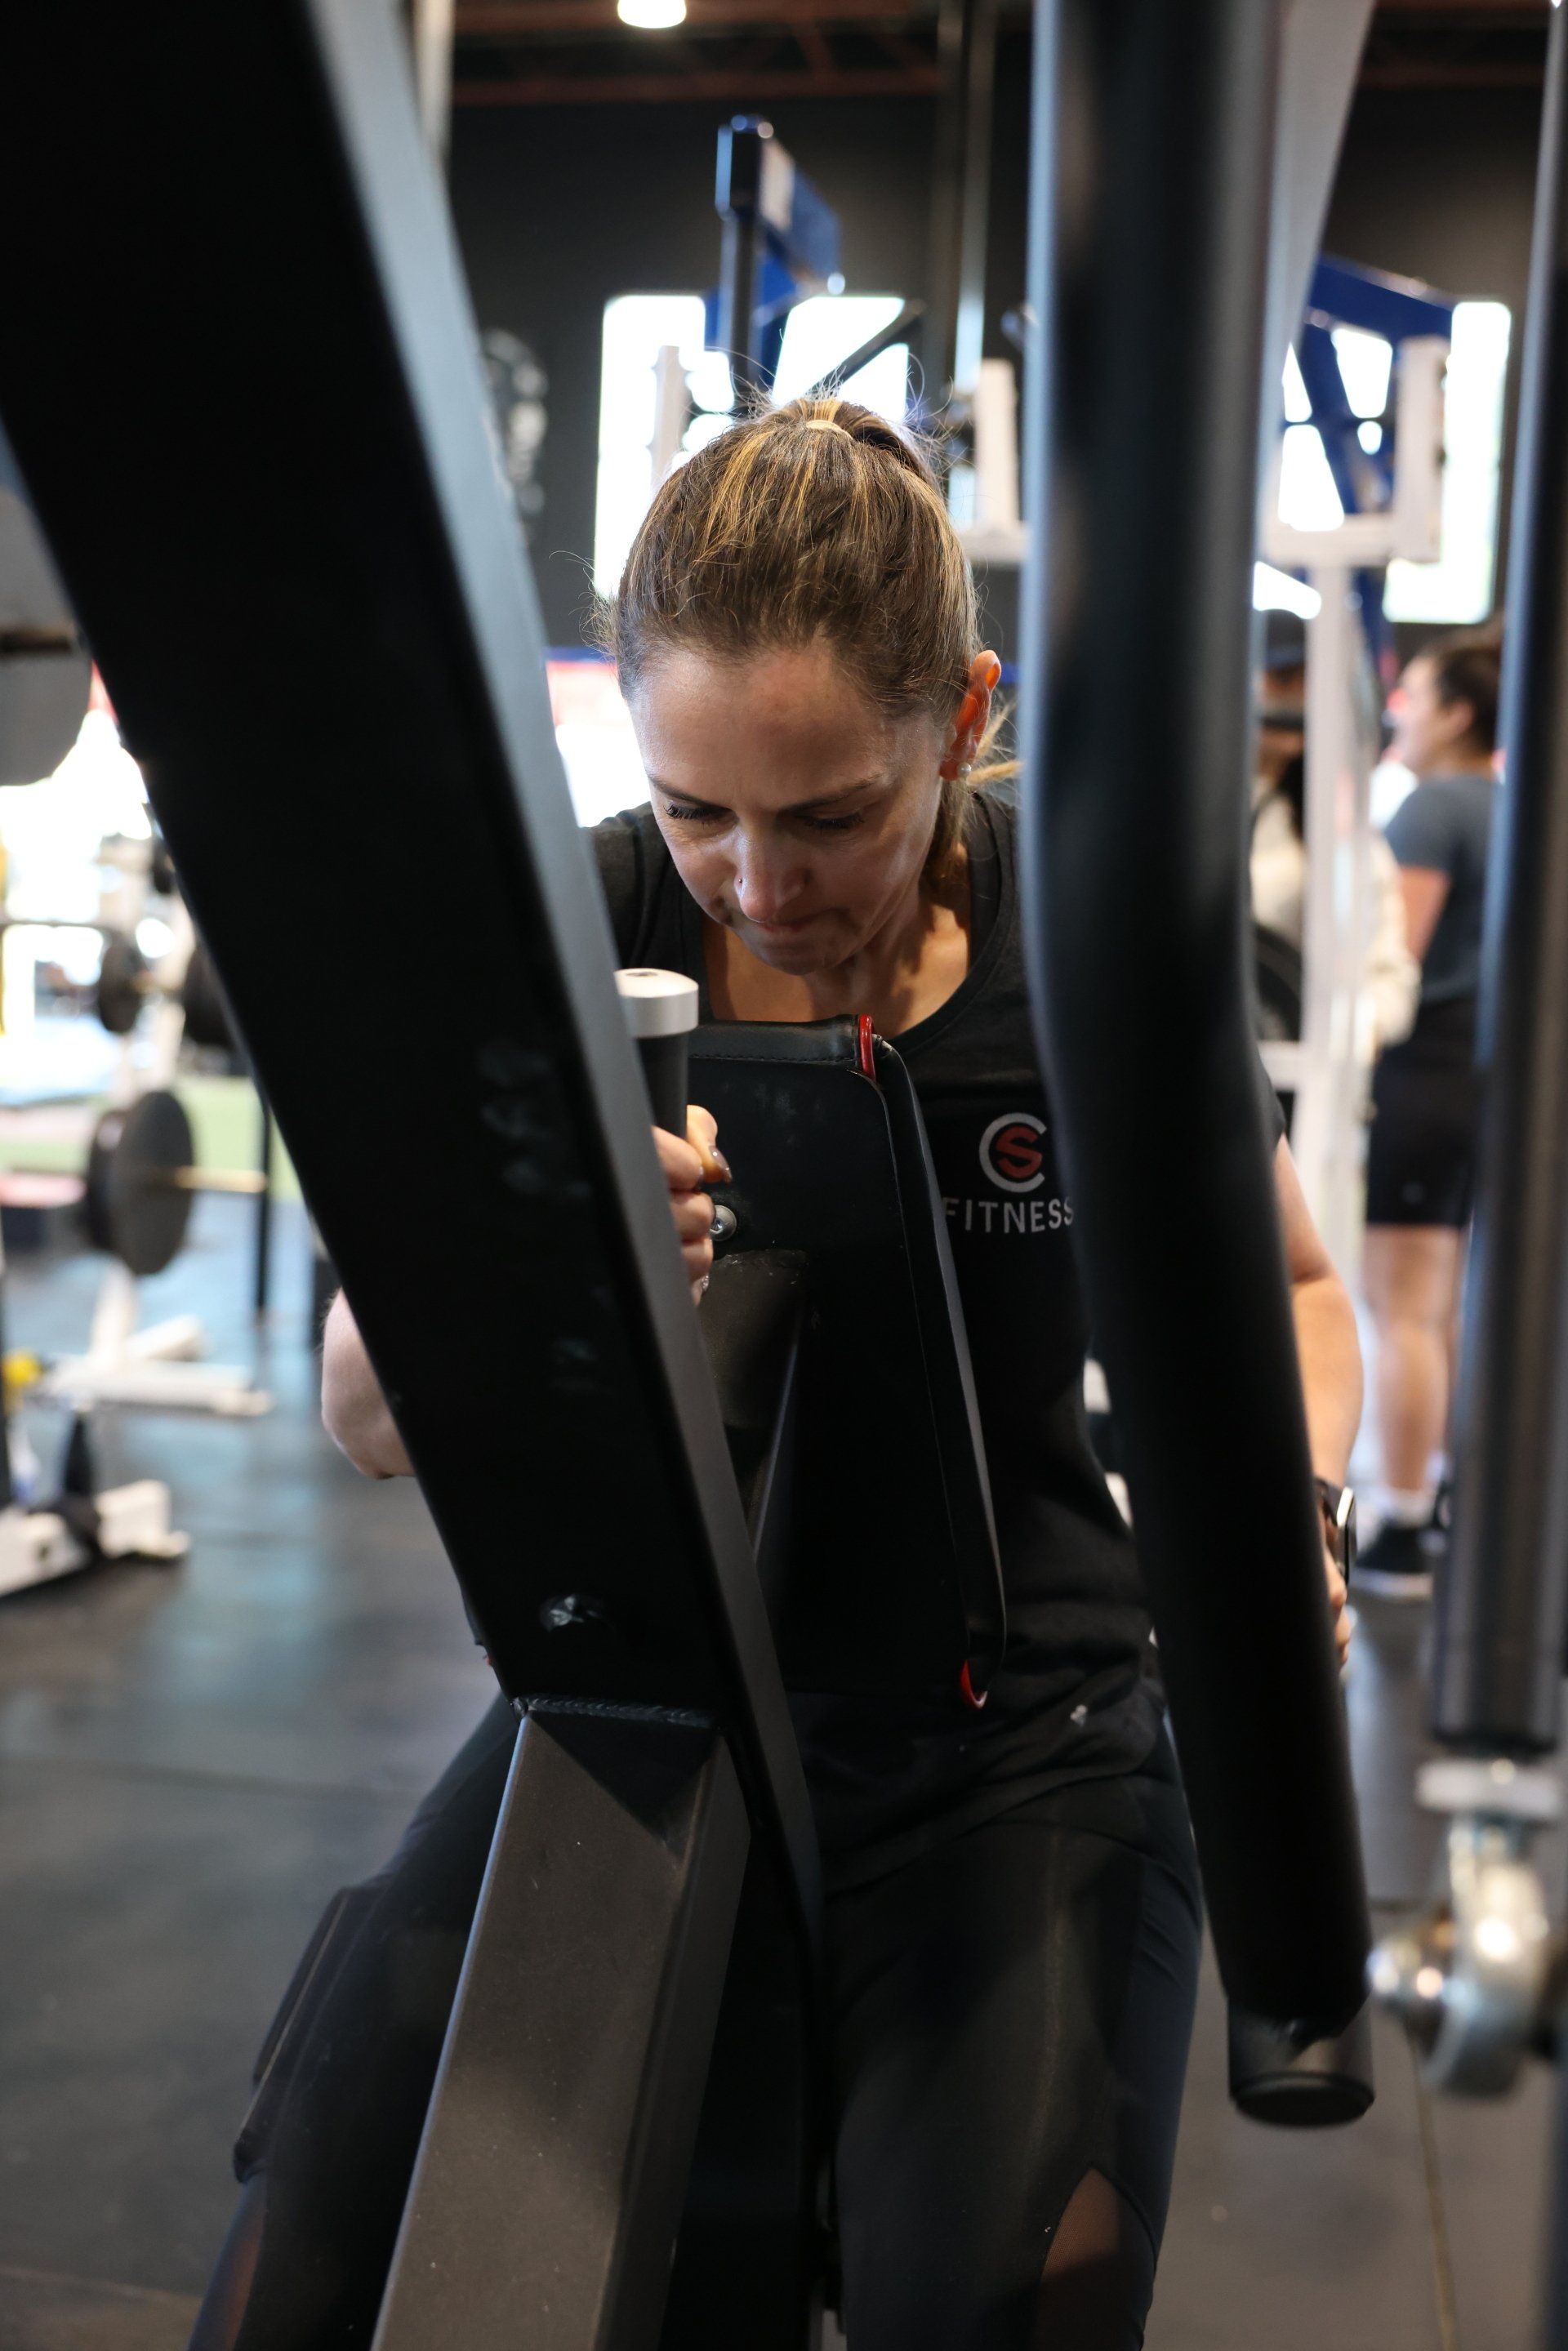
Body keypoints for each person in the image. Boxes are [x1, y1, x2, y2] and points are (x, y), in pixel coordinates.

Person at [189, 399, 1361, 2351]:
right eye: (695, 811)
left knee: (1000, 2304)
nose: (757, 882)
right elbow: (361, 1416)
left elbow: (1301, 1292)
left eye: (828, 816)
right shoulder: (574, 926)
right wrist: (530, 1262)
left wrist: (1289, 1511)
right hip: (643, 1707)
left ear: (961, 716)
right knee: (305, 2263)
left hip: (1023, 1741)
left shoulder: (1082, 949)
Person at [1358, 631, 1502, 1596]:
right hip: (1484, 1072)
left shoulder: (1434, 807)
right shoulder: (1508, 804)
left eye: (1412, 695)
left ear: (1456, 713)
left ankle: (1401, 1529)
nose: (1398, 712)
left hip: (1426, 1070)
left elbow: (1392, 958)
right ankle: (1439, 1493)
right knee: (1438, 1300)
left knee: (1403, 1302)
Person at [1249, 615, 1419, 1061]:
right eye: (1284, 678)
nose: (1301, 700)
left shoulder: (1336, 823)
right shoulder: (1189, 815)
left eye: (1315, 685)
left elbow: (1388, 972)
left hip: (1295, 1071)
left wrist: (1353, 1035)